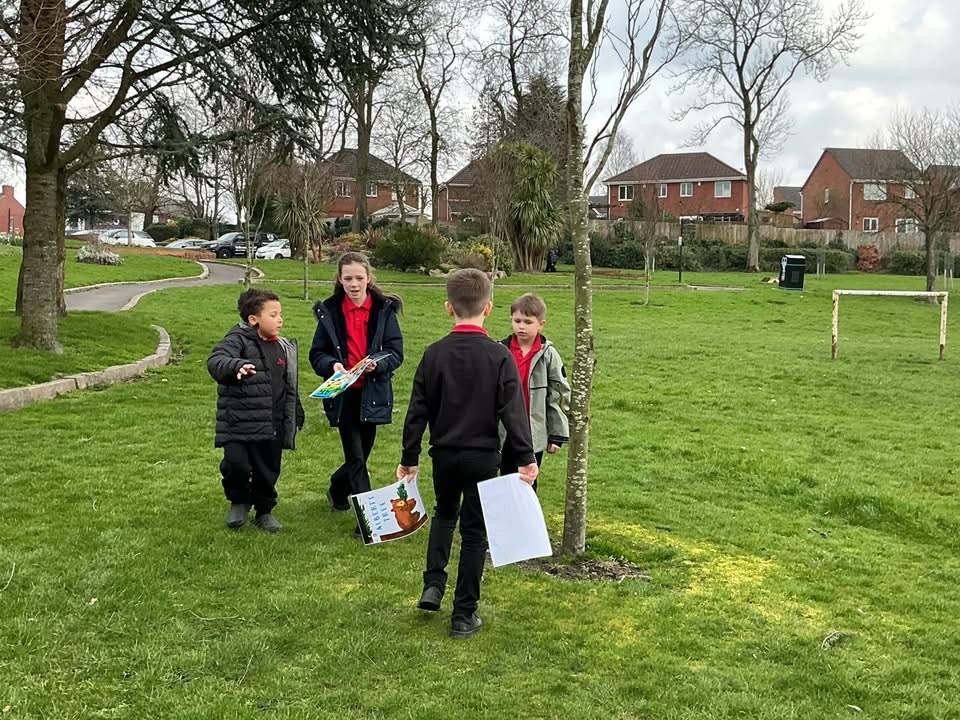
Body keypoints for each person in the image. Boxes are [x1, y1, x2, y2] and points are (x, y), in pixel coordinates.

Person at [397, 268, 538, 639]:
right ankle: (464, 613)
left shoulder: (434, 354)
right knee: (475, 532)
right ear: (488, 308)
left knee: (445, 514)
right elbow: (514, 412)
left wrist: (409, 457)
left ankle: (433, 584)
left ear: (449, 308)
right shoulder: (500, 356)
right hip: (483, 457)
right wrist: (526, 458)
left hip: (444, 454)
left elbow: (417, 411)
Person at [309, 252, 403, 530]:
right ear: (339, 279)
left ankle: (337, 489)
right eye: (348, 278)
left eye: (359, 278)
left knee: (362, 454)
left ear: (368, 278)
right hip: (344, 395)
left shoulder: (384, 310)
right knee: (357, 459)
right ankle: (369, 522)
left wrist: (377, 364)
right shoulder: (329, 311)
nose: (354, 284)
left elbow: (396, 352)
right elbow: (317, 354)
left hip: (373, 394)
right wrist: (332, 365)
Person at [207, 288, 304, 533]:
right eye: (273, 315)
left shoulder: (282, 347)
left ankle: (264, 511)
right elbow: (217, 360)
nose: (280, 320)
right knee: (236, 465)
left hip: (272, 424)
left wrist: (295, 412)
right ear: (253, 319)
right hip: (238, 422)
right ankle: (239, 501)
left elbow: (288, 384)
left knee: (267, 470)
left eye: (280, 314)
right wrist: (236, 365)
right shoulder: (237, 340)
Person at [499, 293, 571, 491]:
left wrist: (557, 434)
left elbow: (558, 394)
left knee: (527, 479)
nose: (521, 327)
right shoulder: (501, 350)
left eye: (528, 322)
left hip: (532, 430)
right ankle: (504, 510)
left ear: (541, 324)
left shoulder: (548, 354)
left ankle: (526, 510)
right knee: (505, 477)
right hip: (504, 428)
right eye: (517, 321)